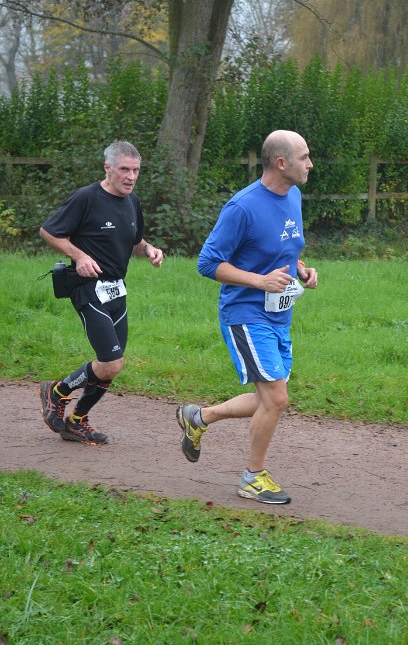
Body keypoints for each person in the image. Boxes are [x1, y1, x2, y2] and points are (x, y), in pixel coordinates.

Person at [176, 130, 317, 504]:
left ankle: (198, 417)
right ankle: (253, 477)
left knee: (269, 398)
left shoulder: (293, 195)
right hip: (245, 313)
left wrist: (301, 269)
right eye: (304, 157)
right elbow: (207, 263)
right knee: (276, 398)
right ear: (281, 163)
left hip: (279, 314)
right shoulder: (242, 207)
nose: (310, 164)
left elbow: (280, 250)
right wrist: (259, 281)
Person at [39, 140, 163, 445]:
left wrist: (149, 249)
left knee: (111, 366)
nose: (131, 177)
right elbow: (49, 231)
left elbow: (135, 240)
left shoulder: (132, 202)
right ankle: (57, 391)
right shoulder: (86, 198)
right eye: (124, 169)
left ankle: (77, 421)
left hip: (116, 290)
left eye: (136, 170)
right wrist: (79, 256)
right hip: (87, 288)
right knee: (111, 361)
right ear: (107, 168)